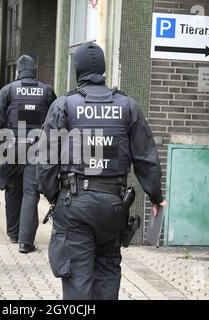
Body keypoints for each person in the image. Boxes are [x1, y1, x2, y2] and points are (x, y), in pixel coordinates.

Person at [36, 42, 167, 300]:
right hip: (114, 207)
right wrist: (155, 195)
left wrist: (54, 196)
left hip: (75, 206)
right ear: (104, 70)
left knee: (77, 282)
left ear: (78, 70)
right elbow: (145, 156)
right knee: (107, 275)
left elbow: (47, 160)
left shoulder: (64, 105)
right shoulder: (127, 106)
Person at [0, 55, 57, 253]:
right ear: (35, 71)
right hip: (36, 150)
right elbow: (56, 119)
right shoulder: (46, 91)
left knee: (12, 189)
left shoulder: (8, 90)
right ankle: (25, 242)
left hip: (10, 149)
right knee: (30, 193)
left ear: (18, 72)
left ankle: (13, 232)